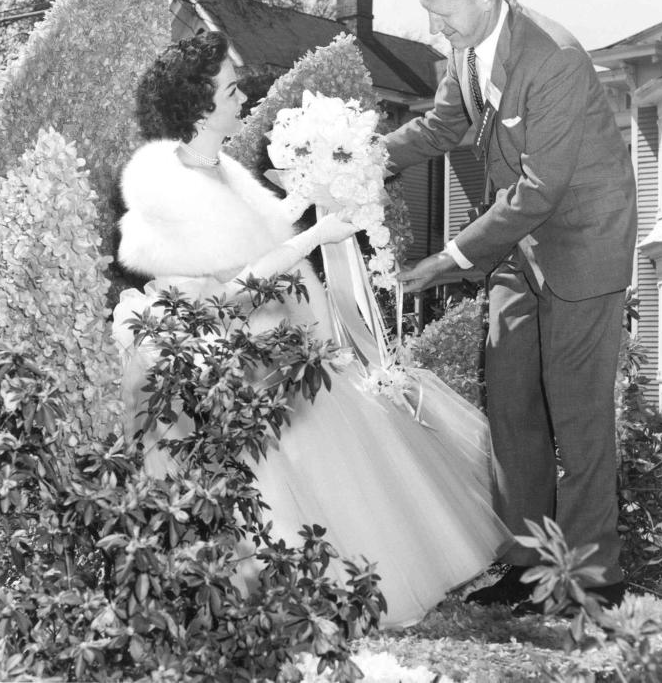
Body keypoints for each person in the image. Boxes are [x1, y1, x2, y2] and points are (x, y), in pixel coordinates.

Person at [112, 31, 512, 627]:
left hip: (273, 338)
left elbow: (259, 232)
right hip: (221, 363)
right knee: (285, 465)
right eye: (231, 86)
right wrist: (311, 238)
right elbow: (222, 295)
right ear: (199, 105)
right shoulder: (167, 194)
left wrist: (319, 184)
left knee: (348, 429)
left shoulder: (217, 166)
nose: (243, 95)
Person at [384, 0, 637, 610]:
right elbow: (442, 126)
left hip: (582, 245)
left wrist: (445, 261)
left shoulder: (552, 59)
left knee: (578, 416)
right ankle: (526, 561)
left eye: (442, 12)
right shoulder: (465, 52)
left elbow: (538, 192)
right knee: (510, 398)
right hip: (518, 249)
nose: (434, 27)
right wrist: (362, 155)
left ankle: (591, 578)